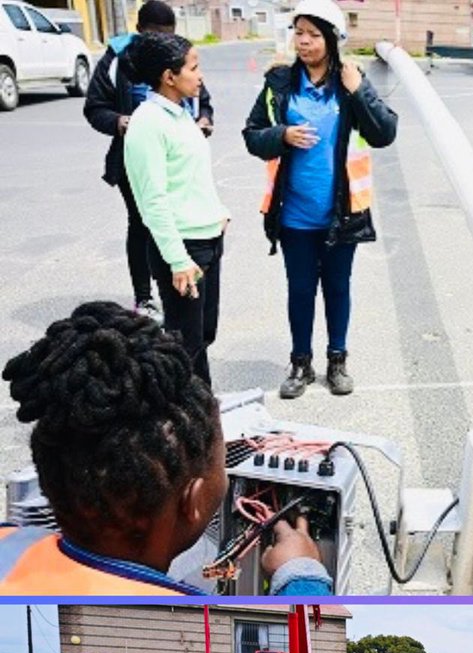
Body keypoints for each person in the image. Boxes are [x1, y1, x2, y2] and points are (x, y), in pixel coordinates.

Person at [0, 302, 332, 596]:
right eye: (221, 464)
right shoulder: (186, 610)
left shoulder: (9, 542)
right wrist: (302, 574)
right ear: (192, 501)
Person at [243, 0, 398, 400]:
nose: (304, 42)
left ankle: (337, 361)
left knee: (338, 288)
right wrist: (281, 136)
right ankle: (300, 363)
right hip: (293, 214)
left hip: (342, 214)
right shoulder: (279, 83)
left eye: (313, 34)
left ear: (331, 39)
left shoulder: (350, 81)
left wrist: (359, 89)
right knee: (299, 290)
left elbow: (384, 133)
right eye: (299, 33)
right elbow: (252, 135)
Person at [84, 0, 215, 322]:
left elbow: (203, 100)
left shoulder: (178, 61)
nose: (161, 39)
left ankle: (178, 288)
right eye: (155, 34)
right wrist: (119, 122)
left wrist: (203, 120)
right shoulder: (117, 60)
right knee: (144, 223)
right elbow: (95, 108)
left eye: (168, 34)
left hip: (177, 149)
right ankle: (146, 297)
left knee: (176, 221)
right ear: (140, 31)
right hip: (139, 153)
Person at [122, 32, 228, 386]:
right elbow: (152, 200)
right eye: (194, 68)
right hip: (183, 249)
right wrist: (179, 260)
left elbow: (190, 177)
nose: (200, 76)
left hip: (208, 239)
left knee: (202, 336)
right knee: (185, 345)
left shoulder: (181, 115)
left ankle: (202, 414)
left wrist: (217, 210)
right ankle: (186, 426)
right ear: (169, 76)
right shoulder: (148, 122)